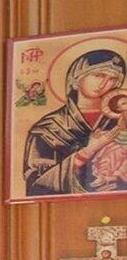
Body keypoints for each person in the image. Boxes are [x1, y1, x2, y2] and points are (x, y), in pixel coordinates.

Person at [22, 46, 127, 197]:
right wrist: (87, 151)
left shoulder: (119, 121)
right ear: (76, 78)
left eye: (112, 79)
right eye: (98, 75)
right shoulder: (47, 129)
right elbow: (36, 186)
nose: (104, 84)